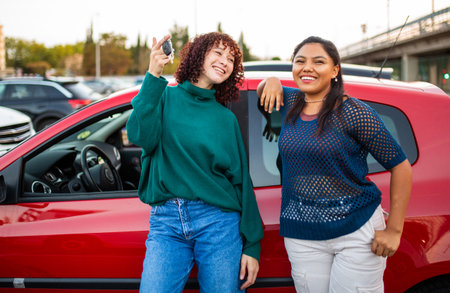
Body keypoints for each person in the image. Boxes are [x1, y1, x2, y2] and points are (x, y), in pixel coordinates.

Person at [257, 36, 412, 292]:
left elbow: (400, 165)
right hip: (302, 234)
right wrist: (271, 80)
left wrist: (394, 230)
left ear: (335, 70)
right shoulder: (290, 103)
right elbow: (263, 88)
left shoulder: (354, 112)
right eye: (300, 61)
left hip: (356, 230)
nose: (307, 67)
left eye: (319, 62)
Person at [126, 32, 264, 293]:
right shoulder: (164, 97)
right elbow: (138, 135)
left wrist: (252, 246)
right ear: (198, 55)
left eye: (231, 58)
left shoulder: (225, 119)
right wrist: (153, 75)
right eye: (218, 53)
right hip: (166, 222)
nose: (225, 61)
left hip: (218, 223)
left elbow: (241, 181)